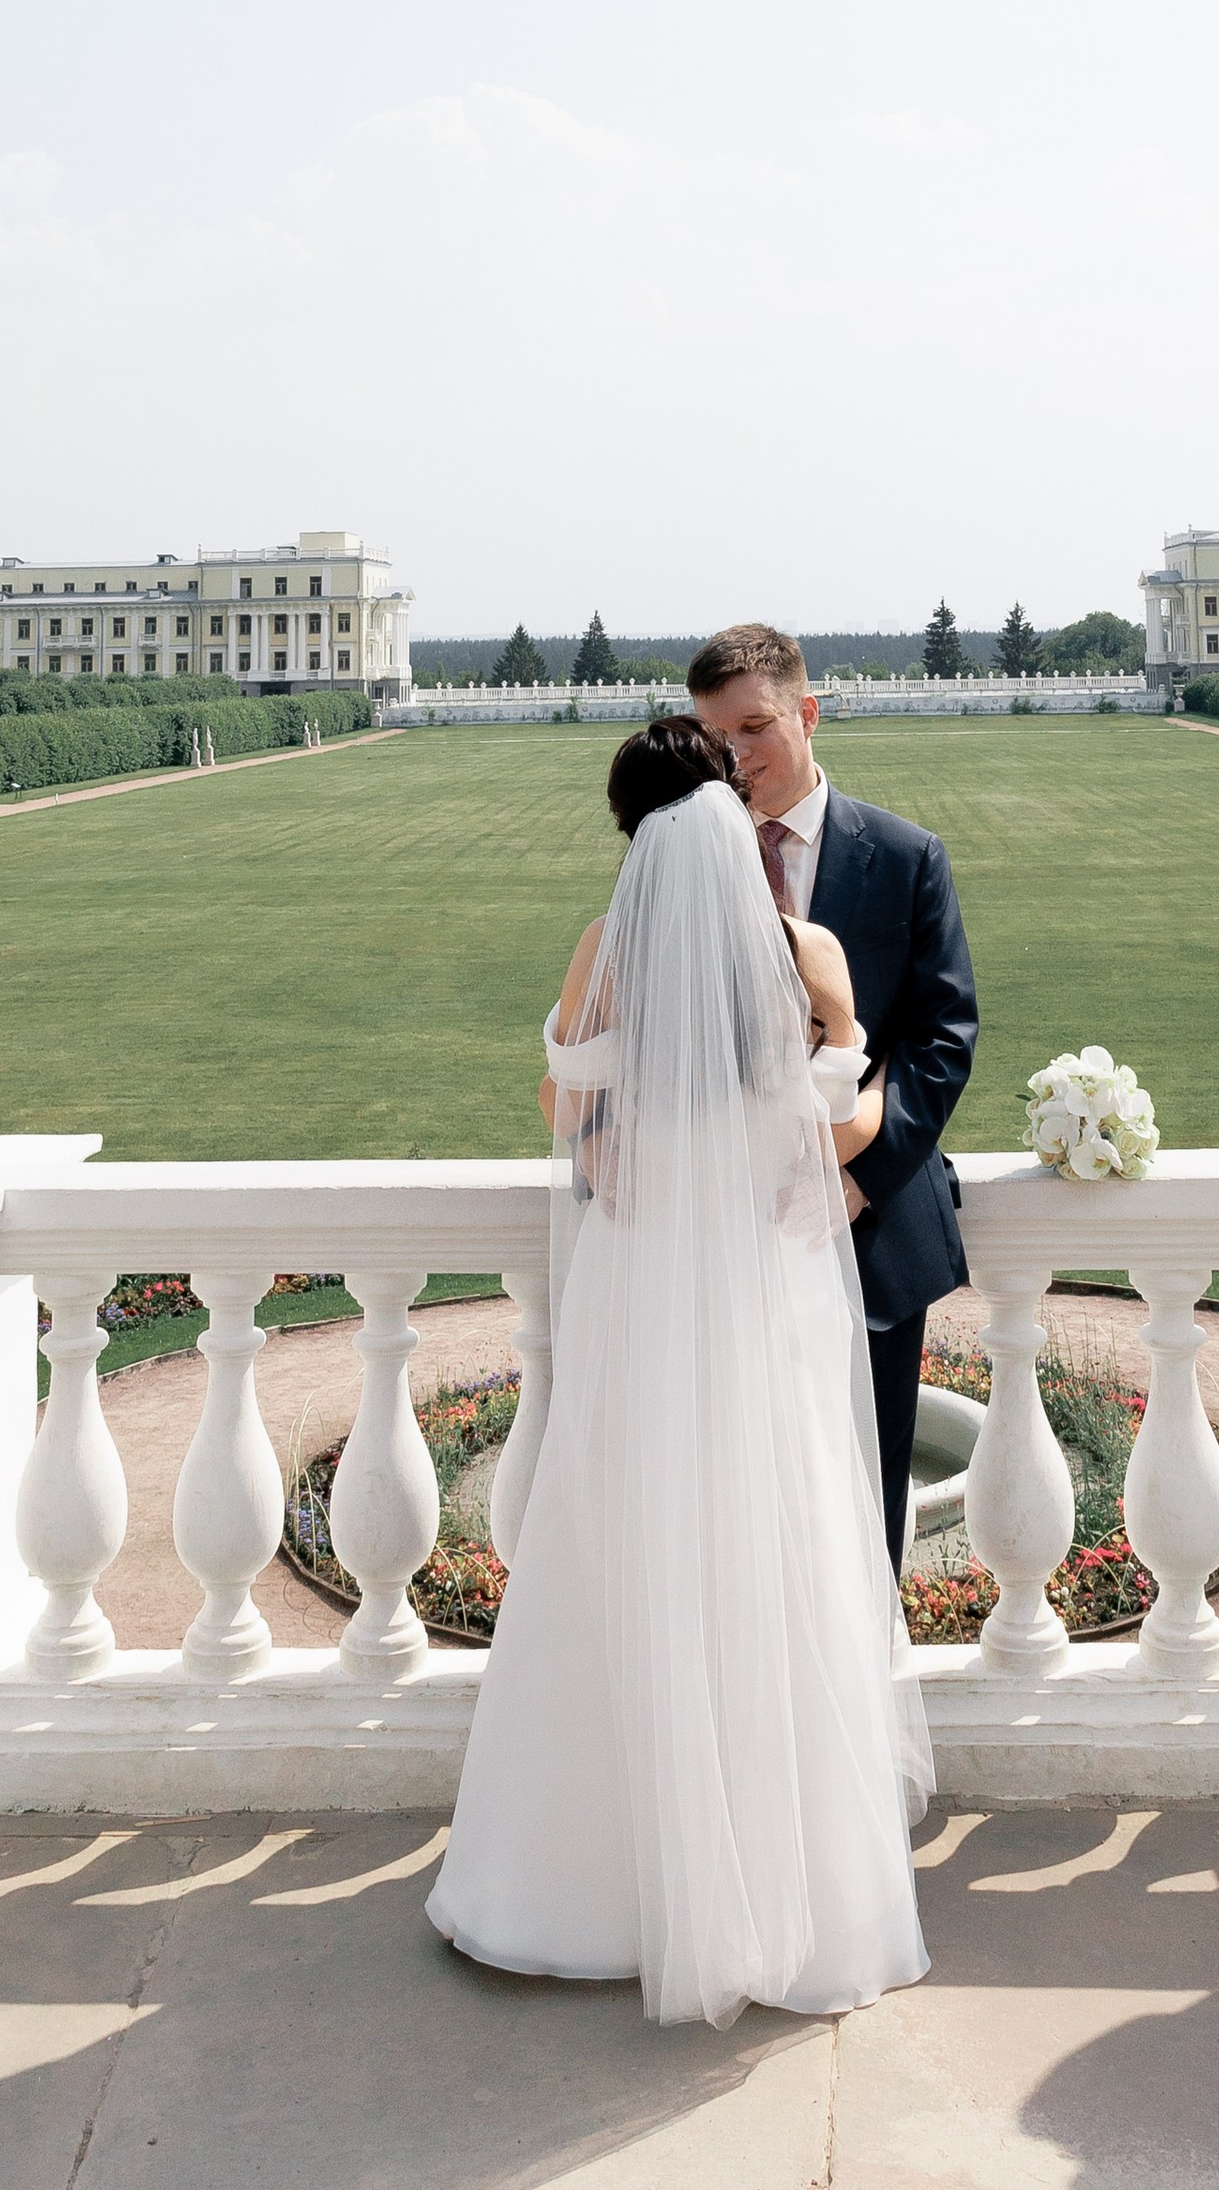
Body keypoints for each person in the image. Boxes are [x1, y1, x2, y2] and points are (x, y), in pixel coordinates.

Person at [427, 715, 931, 2028]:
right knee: (774, 1545)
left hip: (646, 1278)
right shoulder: (804, 951)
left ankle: (586, 1883)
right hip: (762, 1285)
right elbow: (849, 1112)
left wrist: (609, 1150)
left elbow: (567, 1106)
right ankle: (791, 1889)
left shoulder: (608, 951)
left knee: (623, 1540)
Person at [687, 624, 978, 1571]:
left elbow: (943, 1038)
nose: (735, 757)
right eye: (714, 736)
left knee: (867, 1494)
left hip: (873, 1236)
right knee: (736, 1508)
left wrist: (859, 1178)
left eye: (755, 727)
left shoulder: (904, 854)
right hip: (726, 1233)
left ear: (809, 713)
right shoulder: (688, 868)